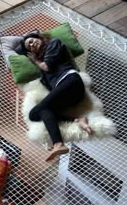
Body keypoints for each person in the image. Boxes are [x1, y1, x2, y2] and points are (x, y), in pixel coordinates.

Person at [21, 31, 93, 161]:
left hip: (70, 81)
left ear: (39, 38)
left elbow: (47, 67)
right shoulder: (42, 62)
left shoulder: (54, 43)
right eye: (29, 47)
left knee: (40, 109)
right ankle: (78, 120)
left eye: (31, 41)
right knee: (35, 114)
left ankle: (58, 144)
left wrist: (36, 60)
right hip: (67, 94)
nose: (32, 45)